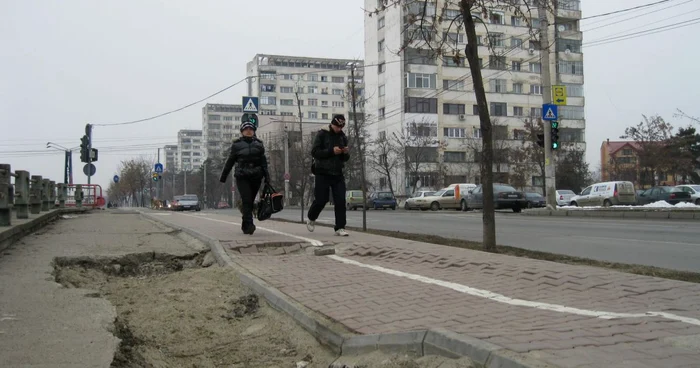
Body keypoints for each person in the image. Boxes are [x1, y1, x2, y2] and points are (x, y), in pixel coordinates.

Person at [219, 118, 270, 235]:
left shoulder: (259, 144)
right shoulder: (236, 145)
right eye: (246, 129)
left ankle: (245, 224)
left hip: (256, 176)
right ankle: (250, 225)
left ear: (254, 131)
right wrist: (223, 176)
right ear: (242, 131)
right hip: (242, 176)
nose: (248, 131)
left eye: (250, 129)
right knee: (246, 200)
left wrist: (267, 177)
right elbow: (230, 161)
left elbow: (264, 162)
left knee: (250, 201)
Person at [306, 114, 350, 236]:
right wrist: (331, 151)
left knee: (340, 200)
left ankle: (340, 227)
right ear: (332, 124)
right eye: (337, 127)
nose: (339, 129)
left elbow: (345, 158)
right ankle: (311, 217)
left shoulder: (342, 137)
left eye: (341, 127)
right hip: (322, 172)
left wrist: (345, 153)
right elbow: (314, 152)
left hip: (337, 173)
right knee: (321, 199)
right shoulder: (322, 134)